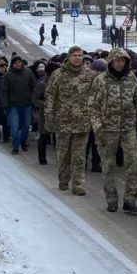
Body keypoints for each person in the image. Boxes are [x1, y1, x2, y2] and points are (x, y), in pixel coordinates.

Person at [90, 47, 137, 214]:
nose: (120, 63)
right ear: (111, 61)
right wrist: (97, 127)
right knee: (108, 165)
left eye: (123, 60)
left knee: (133, 163)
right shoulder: (101, 80)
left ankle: (130, 199)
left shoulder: (131, 78)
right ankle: (111, 199)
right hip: (107, 129)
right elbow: (93, 106)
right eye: (117, 60)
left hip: (128, 128)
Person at [44, 45, 97, 195]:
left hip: (82, 122)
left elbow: (95, 97)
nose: (78, 58)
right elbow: (50, 96)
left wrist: (94, 117)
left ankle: (78, 184)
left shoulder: (90, 75)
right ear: (69, 57)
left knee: (79, 156)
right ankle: (63, 180)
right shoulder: (58, 74)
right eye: (74, 55)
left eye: (80, 55)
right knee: (63, 154)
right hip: (63, 121)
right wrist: (49, 116)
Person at [1, 55, 37, 155]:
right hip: (13, 106)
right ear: (12, 64)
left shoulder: (28, 73)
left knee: (26, 127)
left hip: (27, 105)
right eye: (16, 63)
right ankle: (15, 146)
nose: (18, 64)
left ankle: (23, 142)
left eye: (20, 62)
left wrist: (34, 101)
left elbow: (34, 87)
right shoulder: (8, 75)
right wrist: (5, 105)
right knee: (14, 128)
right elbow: (4, 92)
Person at [32, 59, 59, 165]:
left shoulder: (60, 83)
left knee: (58, 137)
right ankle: (42, 157)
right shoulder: (42, 84)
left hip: (58, 113)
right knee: (43, 135)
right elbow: (34, 98)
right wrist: (46, 104)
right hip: (45, 114)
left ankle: (60, 159)